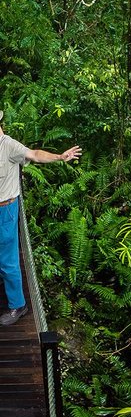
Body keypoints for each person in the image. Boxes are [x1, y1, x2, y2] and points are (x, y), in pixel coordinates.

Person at [0, 120, 81, 327]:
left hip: (5, 209)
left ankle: (18, 305)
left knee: (8, 259)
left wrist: (60, 157)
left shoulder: (9, 145)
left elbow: (34, 154)